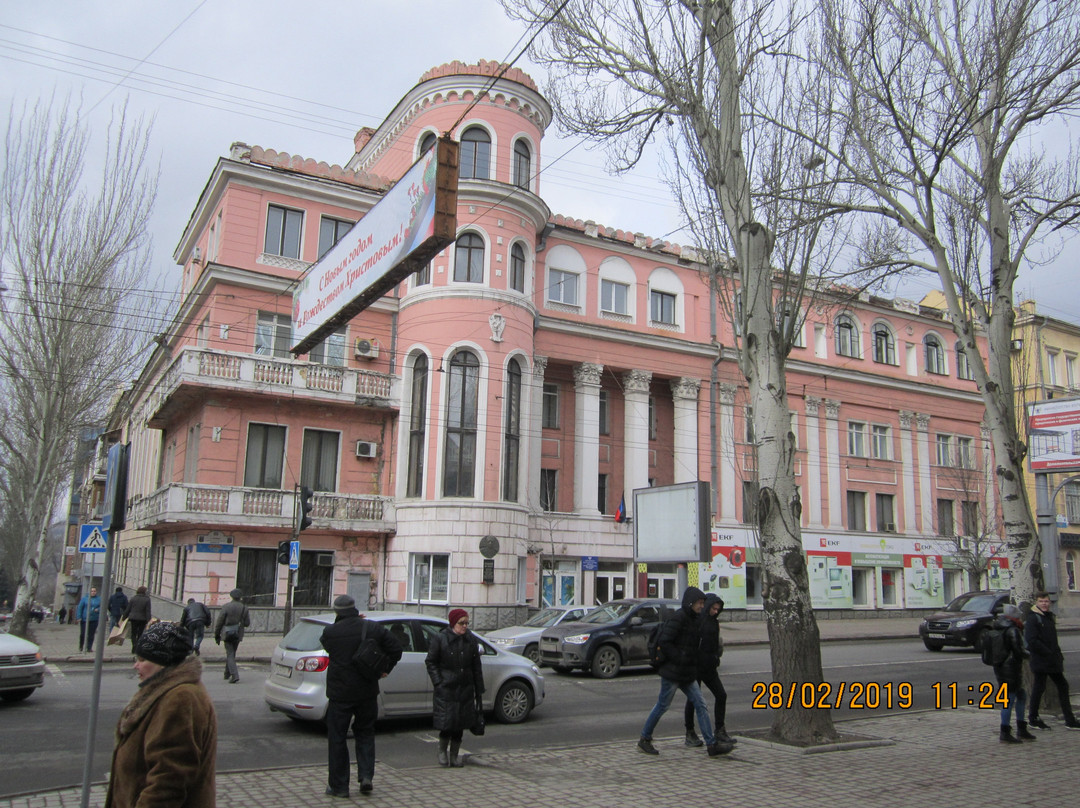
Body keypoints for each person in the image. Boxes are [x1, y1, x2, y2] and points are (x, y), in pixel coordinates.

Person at [104, 621, 217, 807]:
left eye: (142, 660)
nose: (136, 666)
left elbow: (168, 782)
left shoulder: (181, 699)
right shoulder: (164, 688)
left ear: (163, 662)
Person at [319, 594, 403, 798]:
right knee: (365, 732)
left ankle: (339, 787)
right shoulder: (372, 628)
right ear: (354, 608)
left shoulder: (330, 632)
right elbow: (396, 648)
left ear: (337, 612)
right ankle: (366, 777)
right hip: (366, 691)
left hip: (340, 694)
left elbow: (328, 646)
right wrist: (385, 669)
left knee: (337, 737)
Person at [638, 586, 733, 757]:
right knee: (662, 705)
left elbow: (695, 645)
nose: (701, 606)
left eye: (703, 603)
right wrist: (680, 658)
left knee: (701, 704)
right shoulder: (679, 618)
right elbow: (666, 642)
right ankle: (644, 738)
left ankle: (711, 745)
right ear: (690, 603)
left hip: (688, 672)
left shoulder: (696, 619)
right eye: (699, 603)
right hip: (673, 672)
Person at [425, 608, 485, 768]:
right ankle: (442, 751)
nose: (464, 626)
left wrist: (479, 688)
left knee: (460, 723)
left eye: (466, 623)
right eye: (461, 623)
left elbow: (476, 665)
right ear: (453, 623)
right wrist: (439, 682)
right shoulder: (440, 638)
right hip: (447, 688)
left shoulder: (470, 639)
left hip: (465, 688)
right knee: (447, 723)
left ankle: (454, 755)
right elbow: (431, 662)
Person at [684, 593, 736, 747]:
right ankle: (690, 732)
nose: (715, 611)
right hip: (696, 667)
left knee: (721, 695)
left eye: (718, 609)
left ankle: (720, 730)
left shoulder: (714, 622)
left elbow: (715, 644)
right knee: (693, 700)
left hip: (710, 667)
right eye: (713, 608)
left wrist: (715, 658)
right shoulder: (698, 621)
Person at [1025, 591, 1080, 730]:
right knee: (1042, 687)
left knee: (1058, 686)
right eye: (1041, 601)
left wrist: (1057, 655)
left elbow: (1052, 640)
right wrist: (1047, 653)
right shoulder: (1033, 618)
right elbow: (1032, 640)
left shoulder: (1048, 617)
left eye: (1046, 601)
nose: (1044, 604)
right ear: (1036, 603)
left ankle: (1068, 719)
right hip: (1042, 660)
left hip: (1051, 660)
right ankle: (1035, 718)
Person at [991, 604, 1035, 743]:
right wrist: (1031, 654)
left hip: (1000, 667)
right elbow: (1019, 650)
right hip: (1011, 669)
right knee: (1010, 699)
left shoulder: (998, 627)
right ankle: (1006, 731)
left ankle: (1021, 728)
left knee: (1019, 695)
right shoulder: (1013, 630)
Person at [214, 588, 250, 684]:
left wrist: (216, 634)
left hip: (227, 632)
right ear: (240, 597)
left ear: (231, 596)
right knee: (232, 653)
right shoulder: (244, 608)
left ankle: (234, 675)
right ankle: (227, 673)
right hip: (238, 634)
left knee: (230, 653)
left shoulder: (226, 607)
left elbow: (219, 622)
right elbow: (247, 623)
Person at [76, 587, 102, 653]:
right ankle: (81, 646)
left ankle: (89, 647)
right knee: (83, 634)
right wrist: (79, 617)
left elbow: (102, 607)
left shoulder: (99, 599)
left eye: (94, 591)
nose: (93, 592)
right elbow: (80, 607)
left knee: (91, 634)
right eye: (92, 591)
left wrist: (98, 610)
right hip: (84, 619)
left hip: (94, 619)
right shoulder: (85, 599)